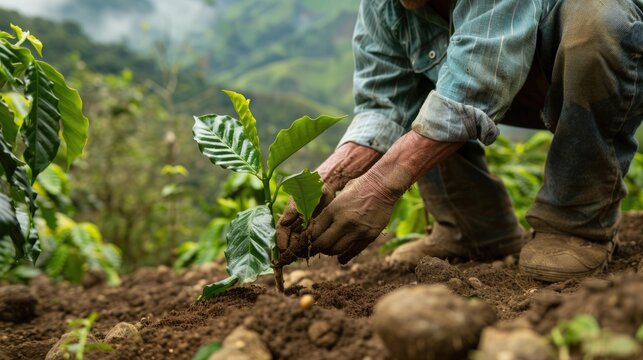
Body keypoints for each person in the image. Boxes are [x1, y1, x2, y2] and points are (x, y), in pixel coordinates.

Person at [276, 0, 643, 282]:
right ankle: (473, 229)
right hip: (500, 77)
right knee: (422, 81)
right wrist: (329, 176)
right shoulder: (383, 7)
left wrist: (378, 187)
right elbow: (385, 103)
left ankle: (577, 224)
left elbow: (476, 81)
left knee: (599, 24)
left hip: (591, 64)